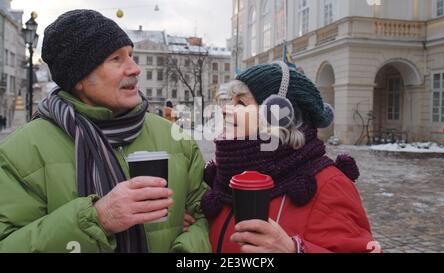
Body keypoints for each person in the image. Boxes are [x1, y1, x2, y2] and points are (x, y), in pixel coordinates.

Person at [0, 9, 210, 253]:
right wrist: (97, 219)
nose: (134, 68)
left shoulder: (177, 139)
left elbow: (206, 217)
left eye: (131, 55)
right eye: (116, 59)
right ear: (78, 78)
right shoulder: (20, 153)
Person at [201, 62, 376, 253]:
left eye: (241, 103)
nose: (226, 110)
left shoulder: (328, 185)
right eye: (230, 101)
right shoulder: (221, 179)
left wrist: (295, 250)